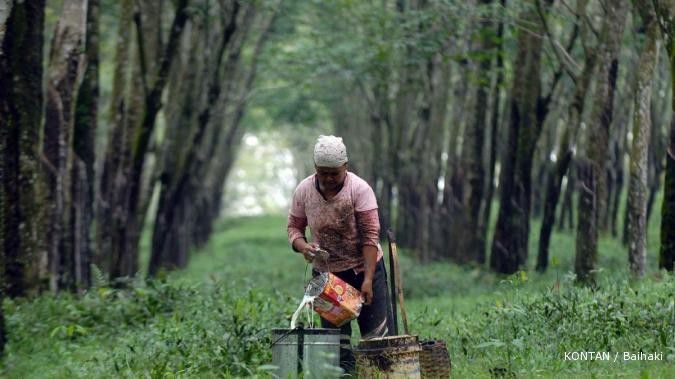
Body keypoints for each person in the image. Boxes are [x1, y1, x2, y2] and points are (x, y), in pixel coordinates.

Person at [287, 135, 392, 373]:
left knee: (377, 338)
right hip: (327, 277)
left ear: (345, 167)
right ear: (316, 169)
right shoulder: (304, 190)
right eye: (323, 172)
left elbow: (370, 236)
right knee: (335, 344)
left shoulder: (359, 189)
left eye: (334, 173)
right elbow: (294, 227)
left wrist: (367, 280)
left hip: (364, 268)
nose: (329, 178)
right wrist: (304, 247)